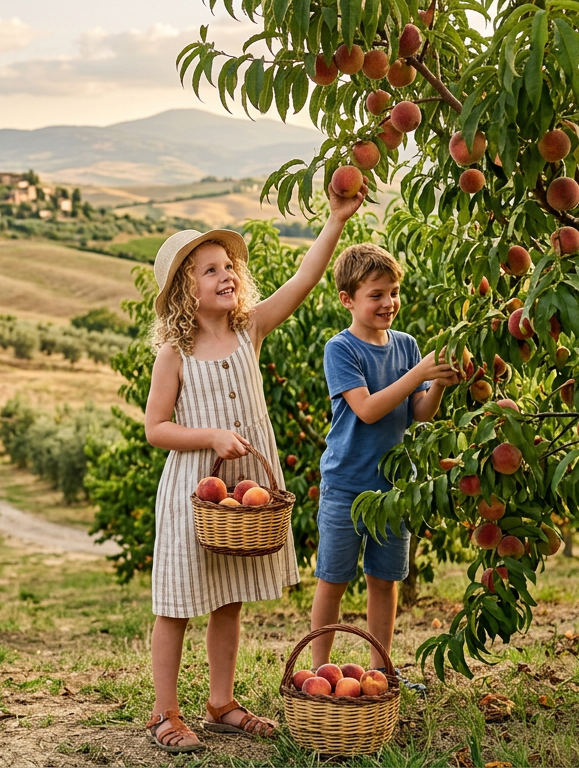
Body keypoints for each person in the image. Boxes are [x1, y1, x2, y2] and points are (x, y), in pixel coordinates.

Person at [142, 178, 368, 753]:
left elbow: (304, 279)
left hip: (245, 498)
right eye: (209, 270)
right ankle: (164, 712)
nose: (226, 276)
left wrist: (336, 220)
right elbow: (155, 428)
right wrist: (211, 436)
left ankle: (221, 703)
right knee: (176, 604)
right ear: (183, 292)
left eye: (228, 267)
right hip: (194, 496)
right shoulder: (176, 353)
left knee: (228, 597)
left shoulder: (250, 331)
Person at [308, 243, 460, 678]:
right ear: (347, 300)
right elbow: (368, 409)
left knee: (384, 580)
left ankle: (381, 671)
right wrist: (419, 373)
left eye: (393, 292)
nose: (388, 303)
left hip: (395, 487)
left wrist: (441, 383)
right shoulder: (341, 349)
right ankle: (321, 673)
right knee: (333, 580)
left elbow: (418, 411)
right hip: (347, 484)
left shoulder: (407, 345)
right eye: (375, 295)